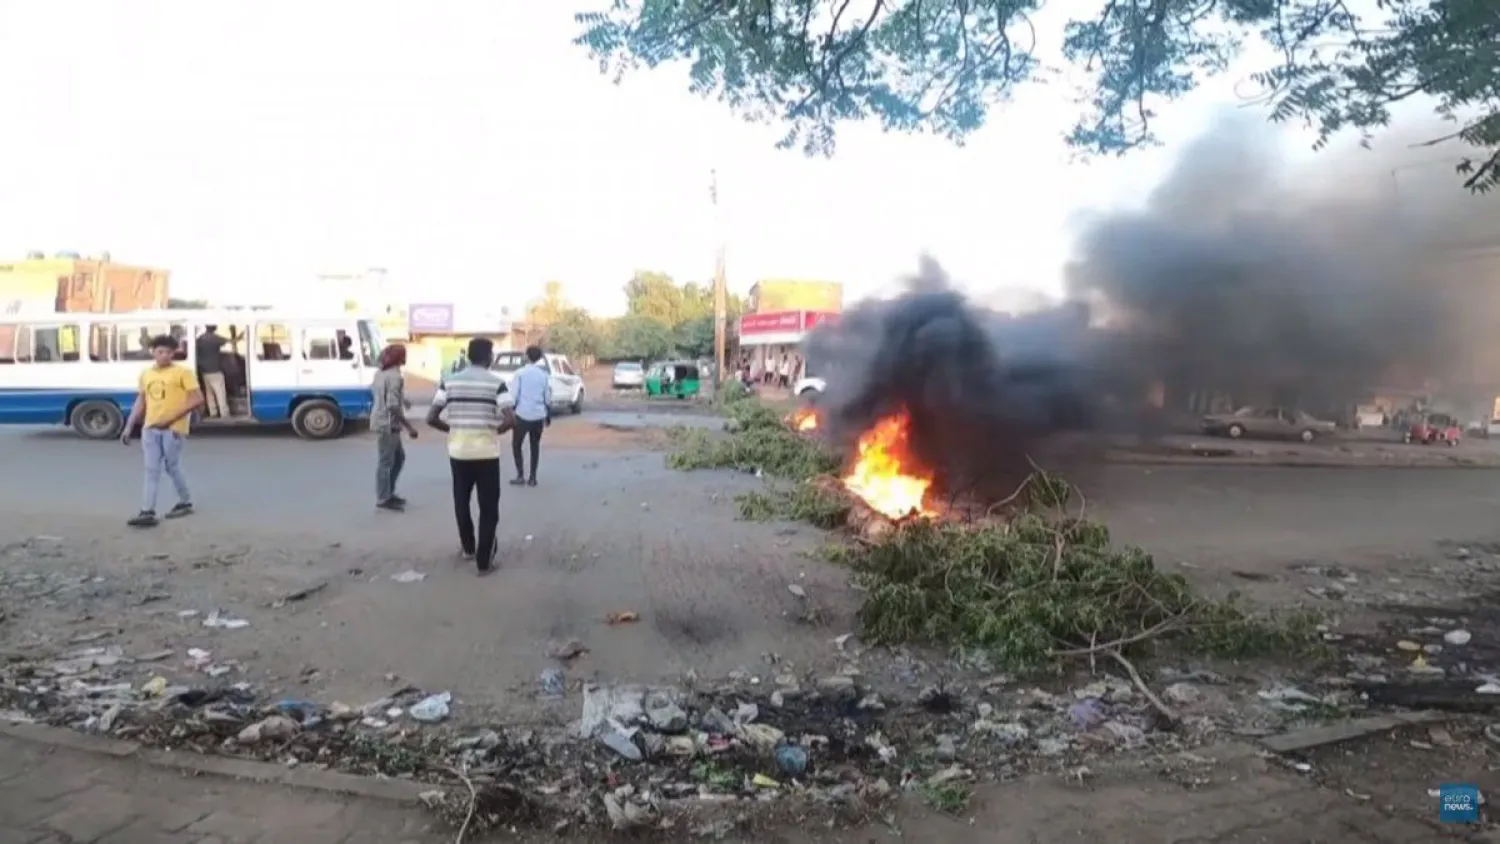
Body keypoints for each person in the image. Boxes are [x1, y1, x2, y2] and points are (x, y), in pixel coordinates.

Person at [426, 337, 511, 574]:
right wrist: (494, 430)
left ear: (469, 356)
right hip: (486, 453)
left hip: (459, 452)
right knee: (489, 507)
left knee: (461, 501)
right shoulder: (497, 383)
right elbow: (510, 418)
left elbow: (431, 418)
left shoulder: (449, 382)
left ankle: (468, 548)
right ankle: (484, 563)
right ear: (488, 357)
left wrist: (453, 429)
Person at [122, 334, 205, 527]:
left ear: (174, 353)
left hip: (173, 429)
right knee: (151, 470)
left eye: (169, 352)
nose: (164, 355)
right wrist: (129, 425)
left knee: (171, 466)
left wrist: (171, 419)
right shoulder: (146, 374)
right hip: (150, 428)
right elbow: (141, 400)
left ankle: (185, 502)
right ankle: (147, 511)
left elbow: (197, 399)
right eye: (160, 351)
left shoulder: (183, 372)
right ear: (153, 352)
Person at [372, 344, 418, 511]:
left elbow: (383, 395)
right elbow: (392, 405)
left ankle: (388, 493)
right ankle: (383, 498)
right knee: (386, 462)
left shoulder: (380, 374)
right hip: (388, 424)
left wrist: (403, 400)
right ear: (400, 358)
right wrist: (409, 427)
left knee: (398, 459)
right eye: (404, 355)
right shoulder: (395, 377)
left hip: (382, 421)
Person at [509, 345, 552, 487]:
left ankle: (520, 475)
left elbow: (514, 395)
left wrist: (510, 412)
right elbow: (547, 397)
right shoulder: (544, 375)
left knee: (516, 445)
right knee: (535, 446)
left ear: (527, 356)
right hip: (538, 415)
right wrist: (548, 414)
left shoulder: (520, 373)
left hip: (522, 414)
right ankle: (533, 478)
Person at [196, 325, 229, 419]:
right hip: (215, 370)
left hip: (204, 371)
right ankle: (224, 413)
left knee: (209, 393)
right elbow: (230, 341)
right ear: (214, 328)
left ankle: (213, 412)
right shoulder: (215, 338)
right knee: (220, 393)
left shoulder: (200, 339)